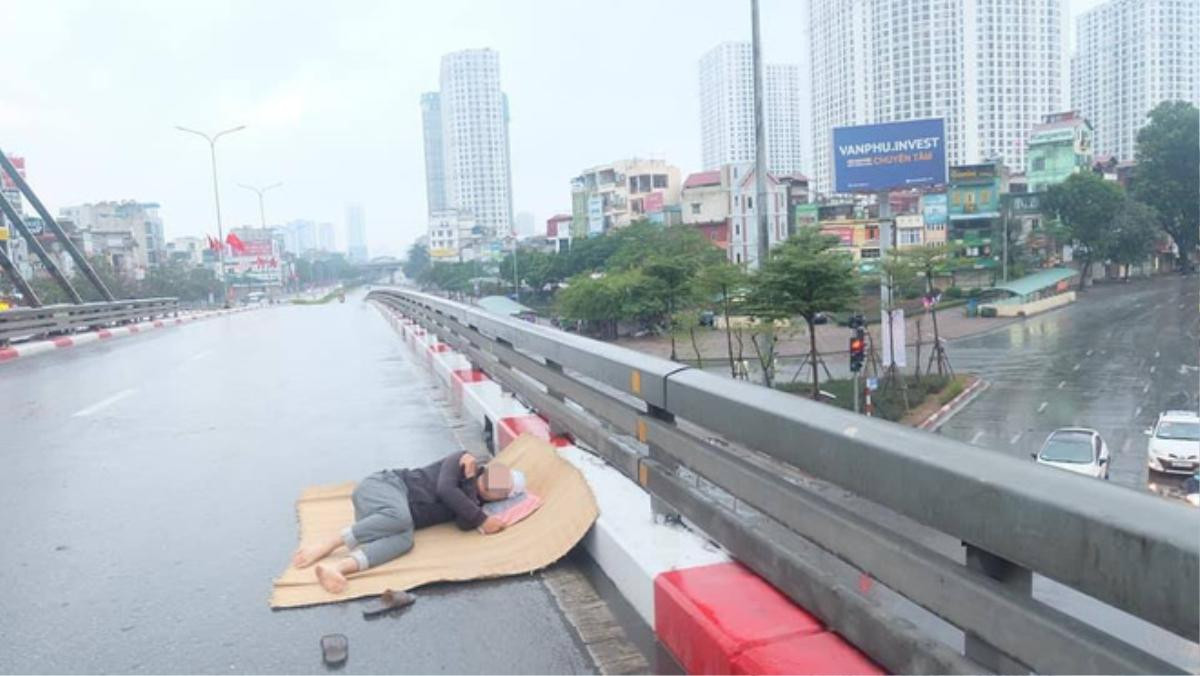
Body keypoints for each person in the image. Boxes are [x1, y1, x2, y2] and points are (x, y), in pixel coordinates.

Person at [292, 451, 524, 593]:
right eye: (495, 476)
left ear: (500, 497)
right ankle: (330, 543)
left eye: (500, 488)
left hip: (382, 520)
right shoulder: (461, 460)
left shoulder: (473, 503)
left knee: (405, 540)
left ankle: (338, 569)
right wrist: (481, 516)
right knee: (402, 518)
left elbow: (464, 524)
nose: (492, 484)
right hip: (384, 487)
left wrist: (478, 510)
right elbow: (445, 490)